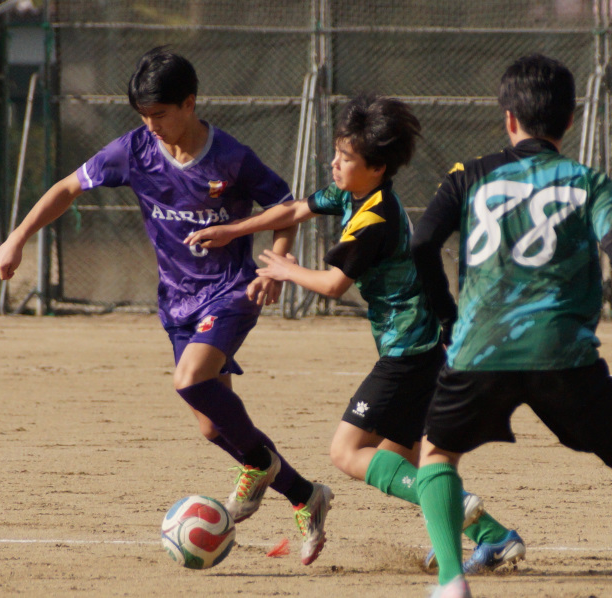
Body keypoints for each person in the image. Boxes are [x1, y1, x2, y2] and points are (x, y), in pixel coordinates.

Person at [0, 46, 333, 566]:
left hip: (231, 290)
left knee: (189, 380)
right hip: (177, 302)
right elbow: (67, 187)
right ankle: (305, 494)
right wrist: (17, 237)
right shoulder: (134, 151)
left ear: (189, 103)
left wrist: (276, 264)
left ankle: (259, 464)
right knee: (211, 426)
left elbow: (285, 208)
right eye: (143, 115)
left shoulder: (231, 157)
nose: (150, 124)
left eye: (159, 113)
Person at [410, 53, 612, 598]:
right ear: (571, 120)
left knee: (437, 455)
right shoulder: (589, 182)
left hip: (481, 348)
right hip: (565, 353)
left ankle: (451, 581)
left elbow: (421, 243)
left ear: (509, 117)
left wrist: (450, 320)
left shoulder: (469, 175)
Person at [185, 94, 525, 571]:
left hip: (411, 352)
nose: (335, 163)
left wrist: (284, 269)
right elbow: (294, 211)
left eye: (346, 158)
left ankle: (457, 501)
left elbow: (333, 285)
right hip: (428, 348)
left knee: (347, 452)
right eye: (337, 153)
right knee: (402, 461)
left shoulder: (375, 219)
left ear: (377, 167)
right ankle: (493, 537)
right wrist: (234, 231)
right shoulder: (351, 193)